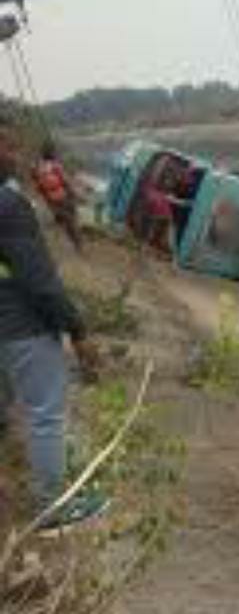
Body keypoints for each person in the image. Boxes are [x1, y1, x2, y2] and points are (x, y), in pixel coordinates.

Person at [0, 126, 108, 533]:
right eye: (6, 146)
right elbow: (40, 280)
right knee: (45, 415)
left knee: (7, 410)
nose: (14, 154)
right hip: (22, 324)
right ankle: (52, 510)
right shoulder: (9, 204)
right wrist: (77, 330)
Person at [31, 140, 83, 253]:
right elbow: (65, 181)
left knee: (66, 220)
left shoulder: (37, 166)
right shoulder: (55, 166)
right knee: (71, 221)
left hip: (51, 198)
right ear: (52, 153)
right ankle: (78, 245)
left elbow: (38, 185)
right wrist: (75, 194)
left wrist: (45, 198)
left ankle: (75, 241)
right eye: (54, 151)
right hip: (62, 196)